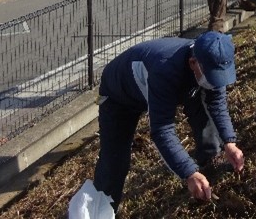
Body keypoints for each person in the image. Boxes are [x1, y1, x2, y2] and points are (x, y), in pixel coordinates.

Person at [93, 31, 244, 212]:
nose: (216, 82)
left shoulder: (211, 59)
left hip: (179, 83)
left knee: (206, 122)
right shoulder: (165, 70)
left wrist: (229, 142)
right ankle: (101, 210)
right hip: (119, 96)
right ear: (193, 63)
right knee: (114, 162)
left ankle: (208, 172)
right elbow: (162, 130)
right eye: (212, 76)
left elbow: (217, 104)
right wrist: (188, 173)